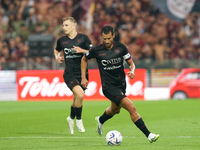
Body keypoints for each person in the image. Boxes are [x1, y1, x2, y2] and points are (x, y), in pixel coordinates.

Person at [81, 25, 159, 143]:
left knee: (115, 110)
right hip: (108, 87)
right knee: (131, 108)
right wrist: (83, 77)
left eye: (109, 38)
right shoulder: (96, 50)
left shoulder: (121, 47)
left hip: (121, 85)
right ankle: (149, 135)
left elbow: (131, 63)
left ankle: (101, 120)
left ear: (113, 36)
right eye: (104, 39)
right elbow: (84, 59)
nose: (106, 41)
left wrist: (132, 71)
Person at [54, 17, 92, 134]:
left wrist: (82, 51)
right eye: (63, 25)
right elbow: (56, 50)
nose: (63, 27)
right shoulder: (61, 41)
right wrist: (57, 57)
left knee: (76, 98)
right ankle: (78, 120)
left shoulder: (83, 38)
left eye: (66, 25)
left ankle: (71, 118)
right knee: (80, 95)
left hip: (82, 74)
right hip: (69, 74)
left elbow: (93, 52)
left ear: (73, 26)